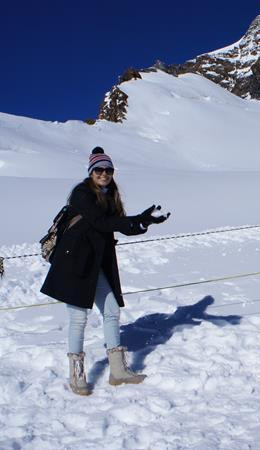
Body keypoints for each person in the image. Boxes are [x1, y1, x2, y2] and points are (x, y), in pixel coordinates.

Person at [41, 146, 170, 396]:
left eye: (108, 169)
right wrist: (132, 219)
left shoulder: (110, 195)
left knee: (111, 310)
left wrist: (143, 222)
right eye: (99, 169)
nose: (104, 173)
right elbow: (100, 222)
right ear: (91, 172)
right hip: (75, 263)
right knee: (78, 318)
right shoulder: (81, 194)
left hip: (97, 262)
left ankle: (118, 371)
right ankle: (76, 375)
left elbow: (117, 225)